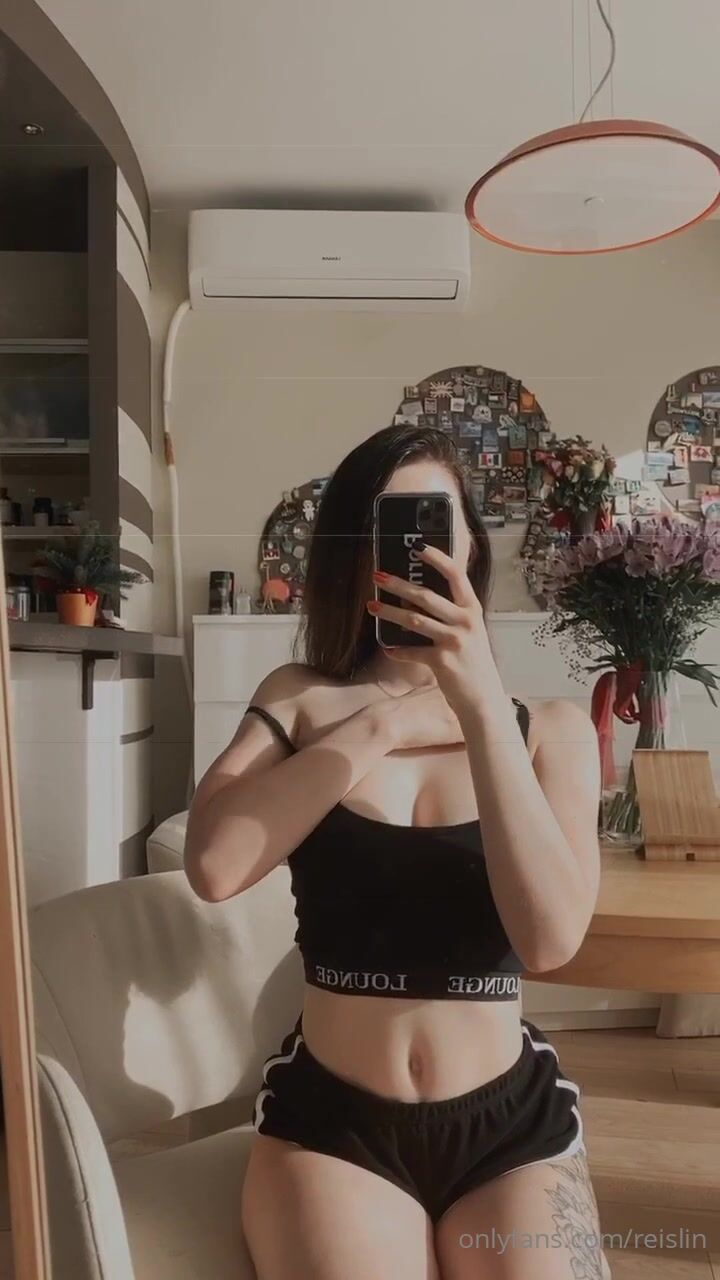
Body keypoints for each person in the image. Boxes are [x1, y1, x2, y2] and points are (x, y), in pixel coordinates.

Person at [184, 424, 610, 1280]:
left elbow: (551, 939)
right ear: (352, 553)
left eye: (433, 524)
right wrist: (380, 725)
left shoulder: (549, 730)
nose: (413, 552)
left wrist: (480, 706)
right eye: (388, 527)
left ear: (470, 549)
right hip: (335, 1126)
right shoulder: (298, 701)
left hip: (509, 1128)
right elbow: (215, 866)